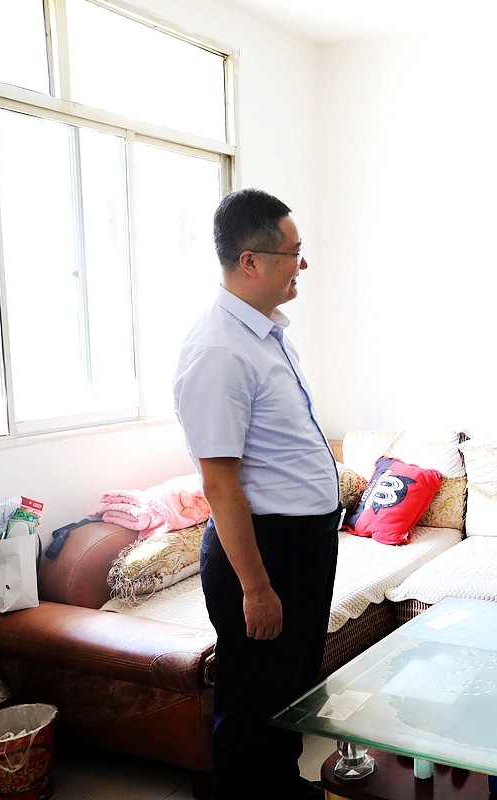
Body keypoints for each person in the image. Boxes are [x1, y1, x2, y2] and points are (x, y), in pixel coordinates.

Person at [174, 189, 338, 800]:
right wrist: (256, 587)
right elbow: (220, 483)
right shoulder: (220, 349)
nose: (302, 263)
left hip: (303, 544)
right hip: (264, 550)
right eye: (294, 252)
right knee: (251, 701)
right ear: (251, 261)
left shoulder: (266, 335)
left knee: (291, 689)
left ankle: (282, 788)